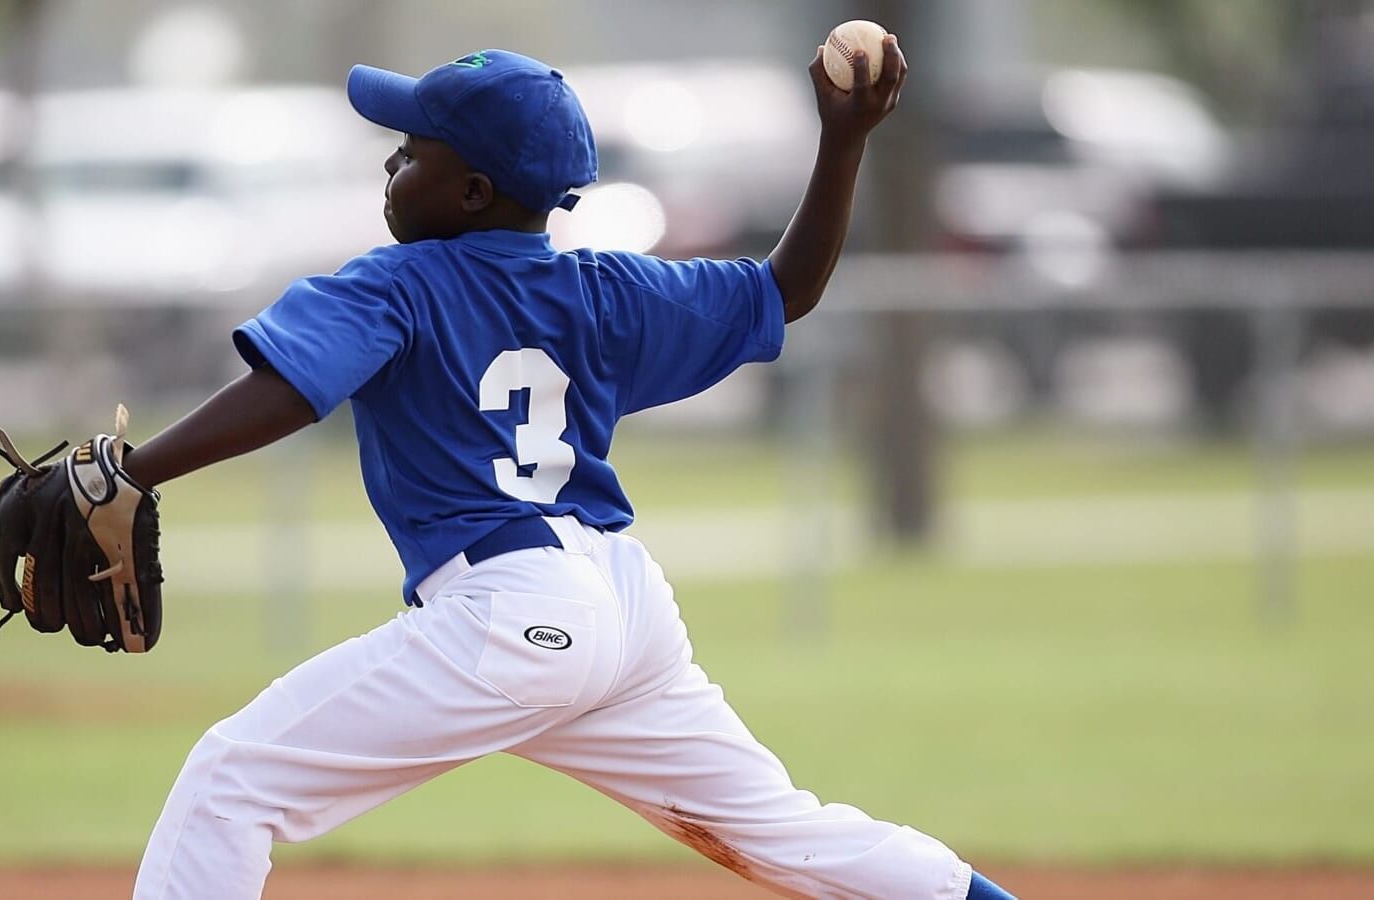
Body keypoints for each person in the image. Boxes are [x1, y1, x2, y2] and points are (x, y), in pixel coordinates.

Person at [128, 39, 1014, 900]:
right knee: (785, 831)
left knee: (231, 782)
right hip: (626, 611)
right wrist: (844, 140)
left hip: (510, 614)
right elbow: (789, 289)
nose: (390, 170)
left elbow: (288, 389)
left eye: (410, 155)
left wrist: (135, 472)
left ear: (473, 191)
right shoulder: (608, 290)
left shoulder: (397, 283)